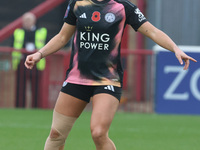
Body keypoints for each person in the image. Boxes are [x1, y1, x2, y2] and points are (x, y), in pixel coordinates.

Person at [25, 0, 197, 149]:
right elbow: (62, 38)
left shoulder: (124, 7)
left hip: (107, 80)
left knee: (98, 133)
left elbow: (152, 31)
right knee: (56, 134)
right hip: (77, 78)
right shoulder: (77, 3)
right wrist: (40, 54)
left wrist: (175, 48)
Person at [12, 12, 47, 108]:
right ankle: (19, 107)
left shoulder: (41, 31)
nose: (26, 22)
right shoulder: (18, 32)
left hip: (37, 64)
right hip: (21, 63)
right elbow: (13, 47)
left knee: (36, 88)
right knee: (20, 88)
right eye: (25, 20)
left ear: (34, 21)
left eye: (28, 20)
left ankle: (36, 107)